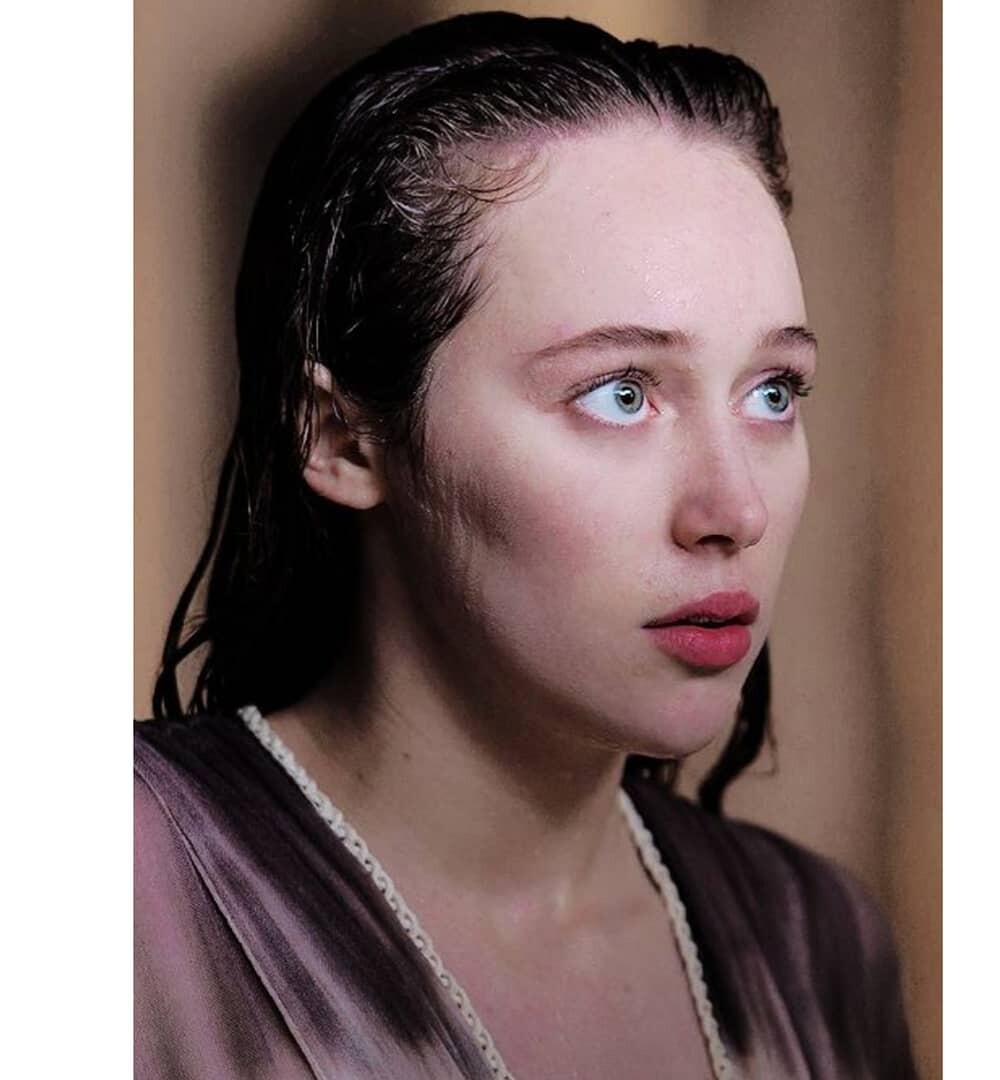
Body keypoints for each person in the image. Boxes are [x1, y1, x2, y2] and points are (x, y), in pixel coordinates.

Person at [135, 11, 917, 1079]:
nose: (735, 507)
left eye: (773, 391)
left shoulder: (817, 948)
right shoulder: (117, 893)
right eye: (621, 392)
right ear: (343, 436)